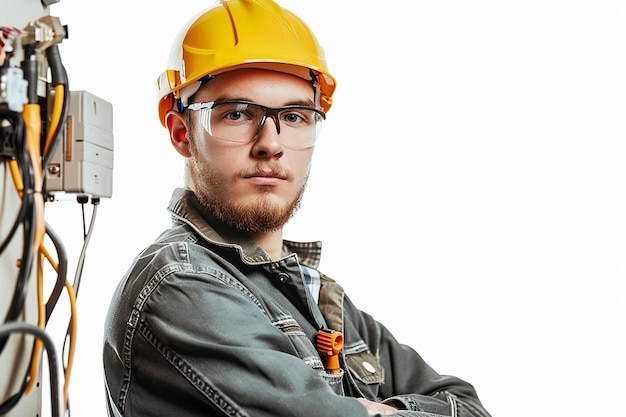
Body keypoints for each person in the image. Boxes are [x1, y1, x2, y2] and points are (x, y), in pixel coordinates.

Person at [102, 1, 493, 416]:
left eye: (294, 116)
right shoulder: (179, 285)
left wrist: (373, 411)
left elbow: (468, 406)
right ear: (182, 133)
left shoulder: (320, 300)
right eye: (237, 113)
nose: (271, 143)